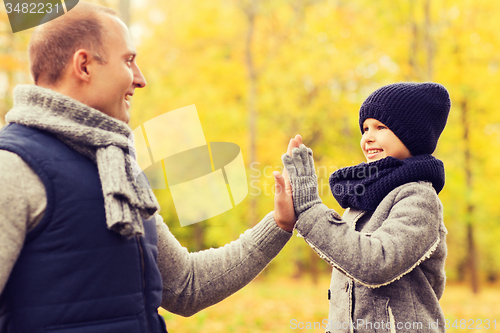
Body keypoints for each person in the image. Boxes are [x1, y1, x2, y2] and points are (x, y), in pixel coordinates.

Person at [0, 2, 298, 332]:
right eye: (128, 61)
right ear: (84, 65)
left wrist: (280, 224)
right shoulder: (13, 168)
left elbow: (187, 285)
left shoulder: (118, 170)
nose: (140, 80)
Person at [281, 83, 451, 332]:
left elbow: (377, 262)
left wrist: (310, 209)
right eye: (365, 128)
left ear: (412, 135)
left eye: (381, 127)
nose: (368, 137)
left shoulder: (418, 198)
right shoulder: (362, 198)